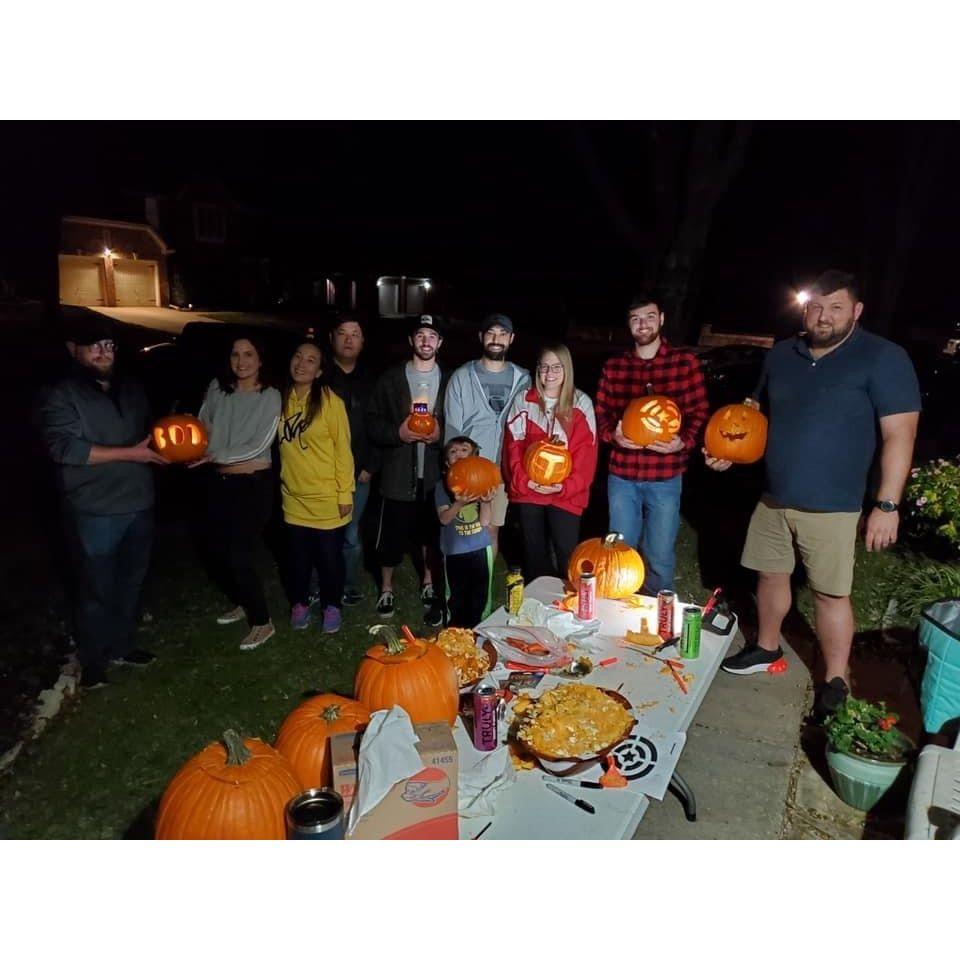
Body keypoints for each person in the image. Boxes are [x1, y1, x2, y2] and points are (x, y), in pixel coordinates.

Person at [706, 270, 921, 720]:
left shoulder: (883, 358)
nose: (824, 317)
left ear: (857, 311)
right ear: (805, 309)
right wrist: (731, 452)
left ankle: (835, 678)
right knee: (769, 574)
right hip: (775, 497)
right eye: (816, 307)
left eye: (836, 307)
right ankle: (765, 646)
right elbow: (755, 415)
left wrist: (886, 504)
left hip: (834, 504)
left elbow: (901, 433)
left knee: (830, 594)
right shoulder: (783, 355)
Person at [38, 312, 167, 689]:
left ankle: (123, 646)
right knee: (96, 589)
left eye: (108, 345)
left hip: (139, 503)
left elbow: (149, 435)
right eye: (94, 345)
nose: (103, 351)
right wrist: (130, 454)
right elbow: (63, 448)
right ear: (73, 349)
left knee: (132, 582)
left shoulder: (130, 387)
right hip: (94, 510)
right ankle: (94, 662)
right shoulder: (62, 394)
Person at [594, 293, 709, 594]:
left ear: (661, 319)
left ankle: (658, 614)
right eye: (635, 319)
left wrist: (682, 442)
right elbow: (601, 414)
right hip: (623, 474)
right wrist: (613, 436)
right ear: (629, 325)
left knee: (659, 553)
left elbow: (699, 412)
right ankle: (618, 605)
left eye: (648, 317)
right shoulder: (615, 366)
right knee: (619, 547)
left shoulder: (684, 363)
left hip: (665, 475)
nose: (642, 324)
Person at [194, 336, 282, 650]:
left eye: (249, 354)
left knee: (238, 554)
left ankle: (262, 621)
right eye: (235, 354)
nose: (241, 361)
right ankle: (243, 602)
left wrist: (215, 456)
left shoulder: (270, 396)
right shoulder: (219, 389)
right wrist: (196, 449)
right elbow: (202, 425)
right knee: (217, 550)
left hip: (253, 485)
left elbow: (259, 445)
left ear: (260, 360)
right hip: (219, 483)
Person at [367, 315, 448, 626]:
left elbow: (456, 421)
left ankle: (428, 580)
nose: (426, 341)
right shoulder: (391, 378)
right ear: (412, 341)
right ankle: (386, 587)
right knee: (391, 536)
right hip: (398, 472)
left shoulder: (449, 378)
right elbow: (372, 420)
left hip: (432, 474)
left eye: (432, 336)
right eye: (420, 335)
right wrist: (396, 434)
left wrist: (441, 437)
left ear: (439, 343)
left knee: (430, 533)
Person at [503, 343, 598, 582]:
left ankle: (569, 606)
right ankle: (539, 606)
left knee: (567, 553)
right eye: (544, 367)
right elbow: (512, 446)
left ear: (567, 370)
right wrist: (524, 482)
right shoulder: (524, 400)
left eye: (557, 367)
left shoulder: (581, 404)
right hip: (529, 490)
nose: (550, 373)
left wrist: (565, 486)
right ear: (537, 370)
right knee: (533, 553)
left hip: (565, 493)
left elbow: (586, 457)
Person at [278, 341, 354, 634]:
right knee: (297, 560)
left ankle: (332, 605)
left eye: (311, 360)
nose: (301, 364)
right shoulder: (280, 400)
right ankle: (299, 603)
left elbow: (343, 450)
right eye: (298, 356)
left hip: (327, 498)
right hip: (293, 499)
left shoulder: (330, 401)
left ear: (320, 370)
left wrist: (344, 493)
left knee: (329, 560)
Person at [443, 313, 530, 557]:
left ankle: (486, 588)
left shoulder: (523, 379)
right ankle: (461, 583)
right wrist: (456, 470)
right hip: (470, 470)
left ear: (511, 339)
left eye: (502, 334)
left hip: (503, 469)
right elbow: (453, 428)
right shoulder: (462, 377)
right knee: (464, 528)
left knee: (491, 529)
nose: (496, 339)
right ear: (481, 337)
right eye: (491, 333)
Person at [325, 313, 378, 606]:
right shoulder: (320, 377)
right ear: (332, 338)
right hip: (321, 471)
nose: (348, 339)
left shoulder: (370, 380)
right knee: (319, 532)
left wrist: (371, 466)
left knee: (350, 533)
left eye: (355, 334)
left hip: (358, 473)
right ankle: (319, 582)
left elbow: (378, 424)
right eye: (342, 333)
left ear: (362, 341)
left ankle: (348, 584)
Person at [436, 436, 496, 627]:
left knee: (481, 593)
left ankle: (480, 629)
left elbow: (485, 521)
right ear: (447, 462)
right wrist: (459, 503)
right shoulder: (442, 487)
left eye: (464, 450)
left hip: (480, 548)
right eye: (453, 452)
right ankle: (455, 631)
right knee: (455, 595)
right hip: (454, 551)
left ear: (474, 456)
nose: (458, 454)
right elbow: (444, 519)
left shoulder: (481, 481)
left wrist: (486, 502)